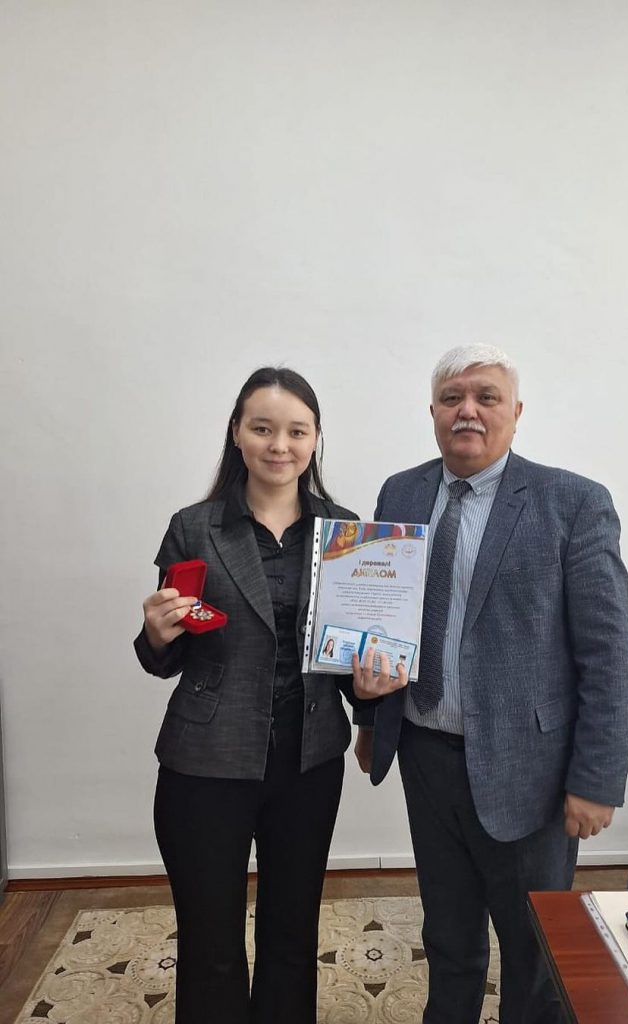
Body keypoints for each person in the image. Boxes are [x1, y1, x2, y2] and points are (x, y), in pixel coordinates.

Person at [352, 345, 628, 1024]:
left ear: (516, 411)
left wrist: (596, 779)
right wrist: (369, 721)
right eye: (452, 398)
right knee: (447, 934)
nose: (468, 411)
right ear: (432, 411)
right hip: (425, 757)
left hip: (530, 773)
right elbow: (378, 614)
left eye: (486, 397)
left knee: (533, 951)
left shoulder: (574, 503)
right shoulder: (400, 493)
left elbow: (608, 652)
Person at [133, 366, 396, 1024]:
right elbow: (167, 654)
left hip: (309, 761)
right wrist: (156, 635)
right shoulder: (194, 528)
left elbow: (347, 661)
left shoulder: (346, 533)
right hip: (205, 761)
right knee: (210, 944)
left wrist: (367, 691)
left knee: (292, 937)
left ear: (315, 439)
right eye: (262, 428)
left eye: (296, 431)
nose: (280, 445)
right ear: (237, 434)